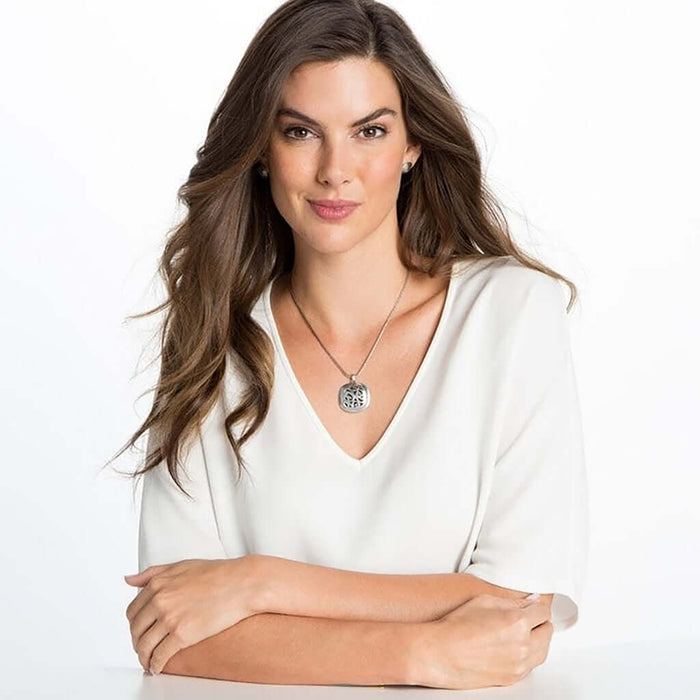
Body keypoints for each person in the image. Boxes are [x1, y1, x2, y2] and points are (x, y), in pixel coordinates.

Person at [114, 0, 588, 690]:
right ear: (261, 149)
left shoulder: (512, 314)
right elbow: (173, 637)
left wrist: (260, 583)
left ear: (413, 144)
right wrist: (419, 654)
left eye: (370, 130)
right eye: (301, 131)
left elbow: (519, 606)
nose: (335, 170)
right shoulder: (212, 339)